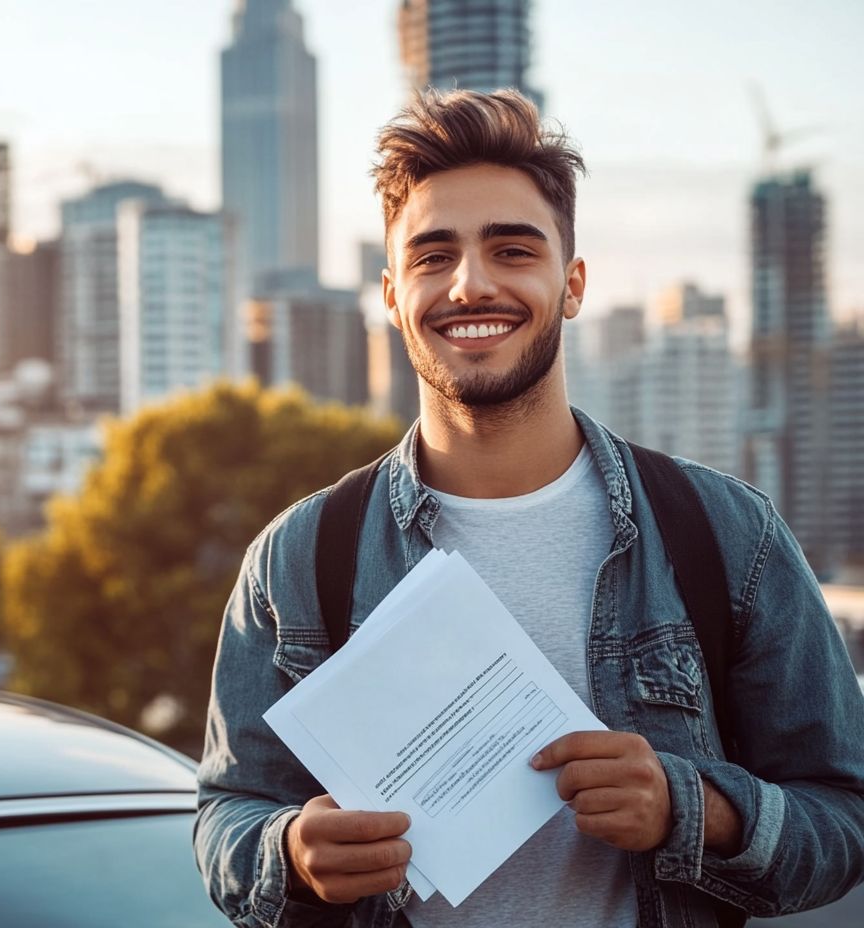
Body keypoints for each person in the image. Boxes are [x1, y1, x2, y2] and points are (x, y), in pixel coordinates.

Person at [193, 89, 864, 928]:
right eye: (432, 257)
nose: (470, 285)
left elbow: (846, 816)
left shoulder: (728, 535)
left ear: (572, 283)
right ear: (393, 294)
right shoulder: (300, 559)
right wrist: (291, 852)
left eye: (512, 250)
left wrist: (693, 810)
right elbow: (227, 815)